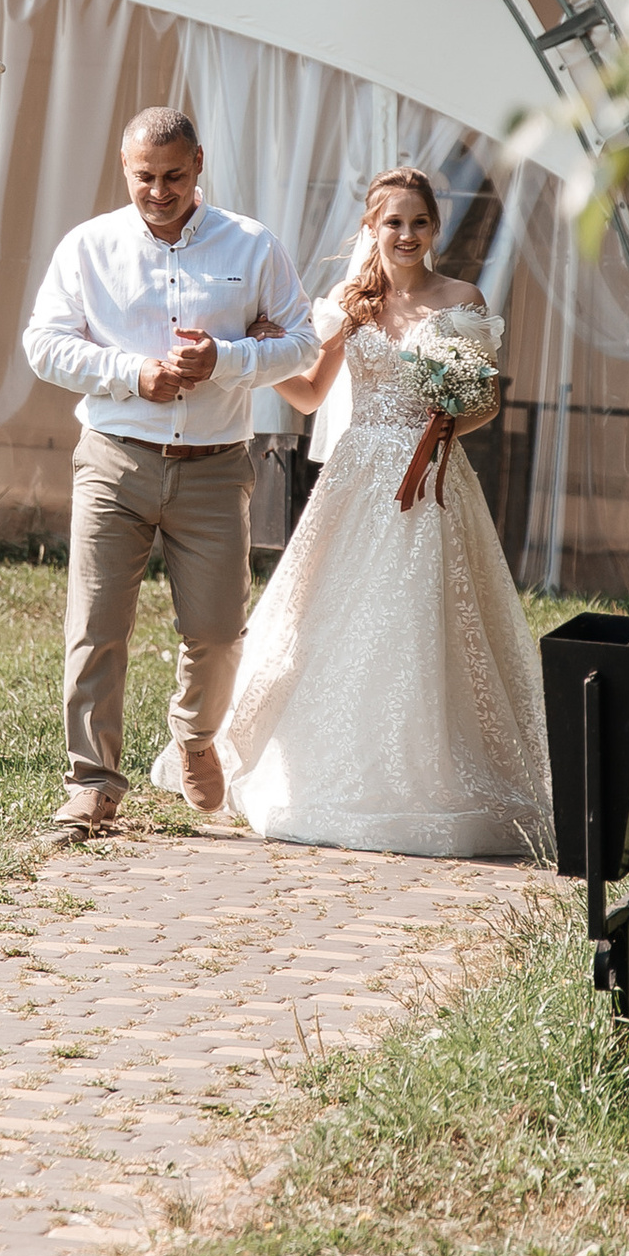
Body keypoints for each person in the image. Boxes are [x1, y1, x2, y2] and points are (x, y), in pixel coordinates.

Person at [212, 163, 554, 861]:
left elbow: (486, 402)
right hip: (358, 473)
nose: (406, 234)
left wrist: (447, 421)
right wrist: (262, 357)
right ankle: (321, 767)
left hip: (431, 479)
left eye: (419, 222)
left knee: (422, 614)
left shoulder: (461, 299)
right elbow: (311, 394)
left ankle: (425, 779)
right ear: (371, 226)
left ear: (435, 228)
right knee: (330, 613)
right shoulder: (350, 303)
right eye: (393, 221)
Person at [22, 108, 319, 841]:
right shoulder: (89, 246)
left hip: (215, 467)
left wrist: (227, 358)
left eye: (174, 176)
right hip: (114, 458)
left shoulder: (251, 244)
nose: (159, 191)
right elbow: (43, 345)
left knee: (216, 632)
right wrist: (132, 373)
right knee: (95, 627)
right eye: (144, 177)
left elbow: (303, 344)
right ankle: (91, 784)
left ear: (199, 165)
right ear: (125, 169)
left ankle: (194, 735)